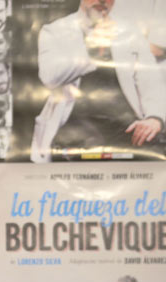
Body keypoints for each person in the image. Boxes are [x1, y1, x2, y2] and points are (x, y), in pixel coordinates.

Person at [31, 0, 166, 162]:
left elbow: (151, 82)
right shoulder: (54, 31)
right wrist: (91, 48)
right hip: (75, 126)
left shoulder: (130, 32)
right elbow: (49, 77)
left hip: (124, 126)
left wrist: (155, 118)